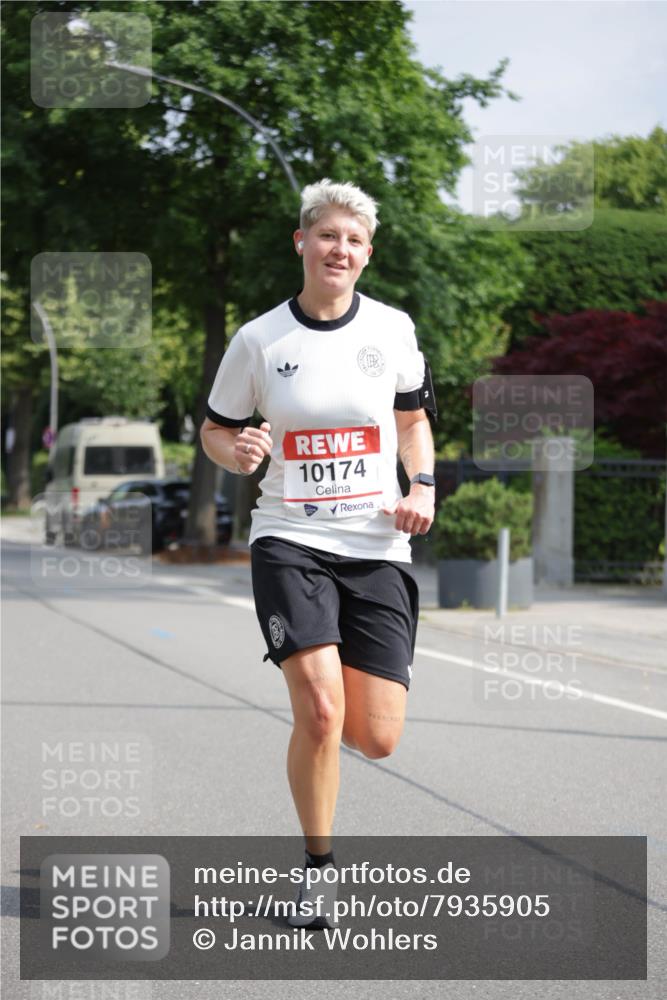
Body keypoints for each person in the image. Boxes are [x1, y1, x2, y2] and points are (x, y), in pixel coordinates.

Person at [200, 178, 436, 927]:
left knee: (378, 736)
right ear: (301, 241)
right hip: (289, 540)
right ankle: (318, 870)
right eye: (328, 235)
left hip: (376, 545)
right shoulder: (260, 340)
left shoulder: (392, 330)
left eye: (355, 240)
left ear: (367, 254)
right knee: (323, 711)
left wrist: (422, 483)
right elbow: (215, 429)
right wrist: (234, 451)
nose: (341, 249)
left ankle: (333, 761)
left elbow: (412, 423)